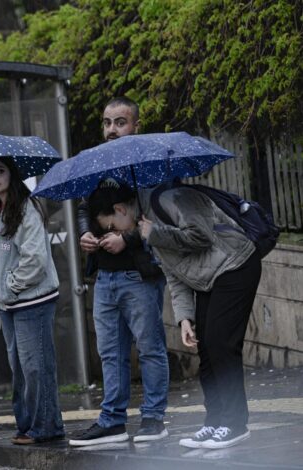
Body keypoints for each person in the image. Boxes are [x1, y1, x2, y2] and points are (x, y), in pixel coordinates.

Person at [88, 180, 261, 449]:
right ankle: (215, 420)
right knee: (206, 350)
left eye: (111, 226)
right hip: (209, 278)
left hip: (235, 265)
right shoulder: (145, 225)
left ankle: (235, 423)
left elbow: (202, 236)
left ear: (120, 209)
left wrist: (155, 233)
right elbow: (174, 272)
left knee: (221, 345)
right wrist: (184, 318)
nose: (113, 233)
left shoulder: (174, 198)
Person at [70, 97, 170, 446]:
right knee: (110, 352)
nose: (112, 129)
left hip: (139, 275)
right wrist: (85, 233)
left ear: (135, 126)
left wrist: (126, 239)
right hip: (105, 276)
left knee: (150, 348)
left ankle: (154, 418)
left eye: (120, 122)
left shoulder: (149, 163)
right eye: (107, 122)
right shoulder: (96, 163)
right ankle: (112, 420)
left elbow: (160, 216)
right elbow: (84, 207)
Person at [0, 158, 65, 445]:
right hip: (10, 304)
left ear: (12, 174)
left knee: (36, 366)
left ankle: (46, 426)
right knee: (20, 368)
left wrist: (10, 287)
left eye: (0, 171)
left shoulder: (26, 208)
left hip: (31, 301)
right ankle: (27, 425)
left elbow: (35, 258)